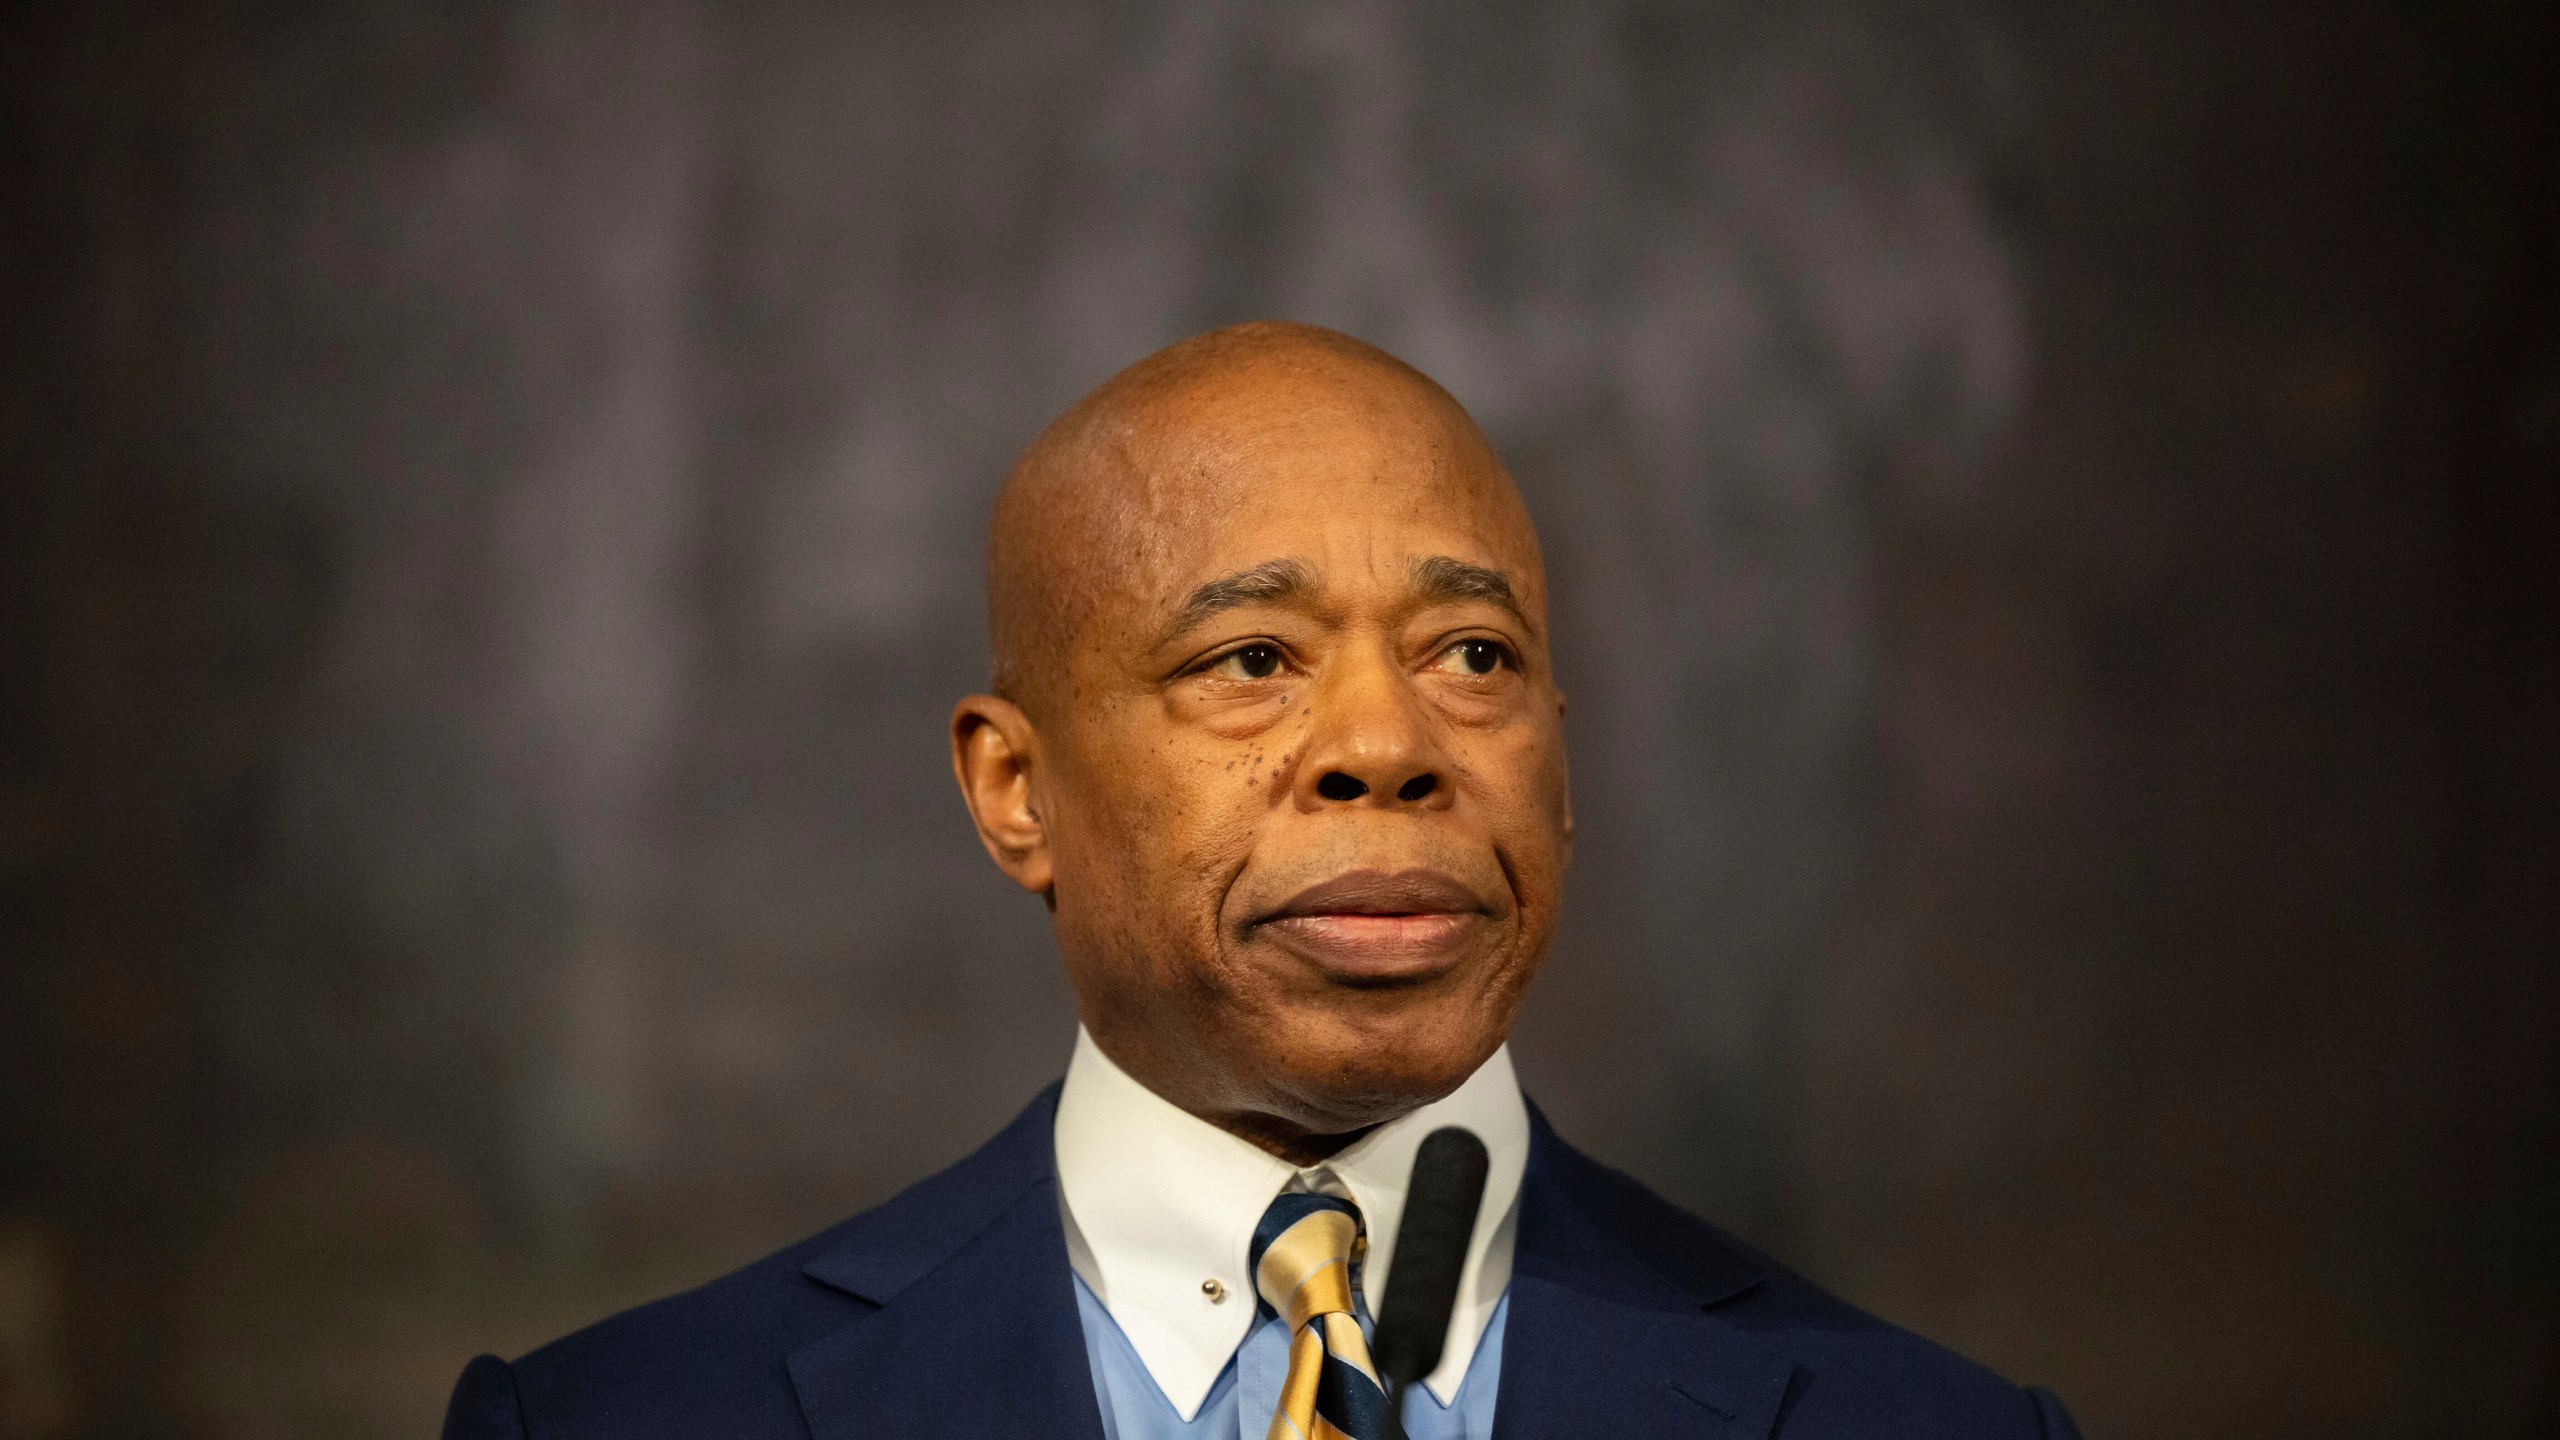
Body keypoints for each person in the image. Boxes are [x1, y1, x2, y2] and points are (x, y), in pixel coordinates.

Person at [441, 323, 2081, 1439]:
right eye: (1249, 659)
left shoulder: (1930, 1426)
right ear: (1017, 791)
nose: (1389, 742)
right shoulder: (622, 1424)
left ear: (1561, 766)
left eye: (1472, 652)